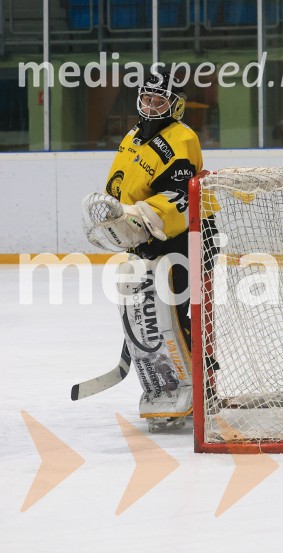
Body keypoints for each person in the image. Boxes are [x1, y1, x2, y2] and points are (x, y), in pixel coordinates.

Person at [82, 70, 203, 432]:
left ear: (175, 106)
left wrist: (135, 218)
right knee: (149, 318)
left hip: (183, 242)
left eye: (159, 101)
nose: (150, 106)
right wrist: (115, 219)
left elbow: (178, 198)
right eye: (146, 99)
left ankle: (200, 386)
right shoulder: (134, 135)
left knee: (183, 318)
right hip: (148, 243)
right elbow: (119, 190)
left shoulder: (182, 138)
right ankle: (168, 386)